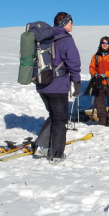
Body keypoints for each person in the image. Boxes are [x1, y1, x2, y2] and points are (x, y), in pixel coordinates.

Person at [33, 12, 82, 165]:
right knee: (60, 119)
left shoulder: (43, 38)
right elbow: (73, 61)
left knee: (53, 115)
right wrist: (77, 81)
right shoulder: (65, 39)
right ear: (65, 23)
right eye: (71, 22)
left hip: (42, 84)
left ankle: (41, 146)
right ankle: (56, 155)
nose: (72, 25)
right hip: (58, 85)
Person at [89, 36, 109, 127]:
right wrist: (95, 74)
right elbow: (91, 68)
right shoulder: (96, 56)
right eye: (103, 43)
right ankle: (102, 122)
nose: (105, 45)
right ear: (100, 44)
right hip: (99, 83)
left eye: (106, 43)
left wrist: (104, 75)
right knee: (100, 105)